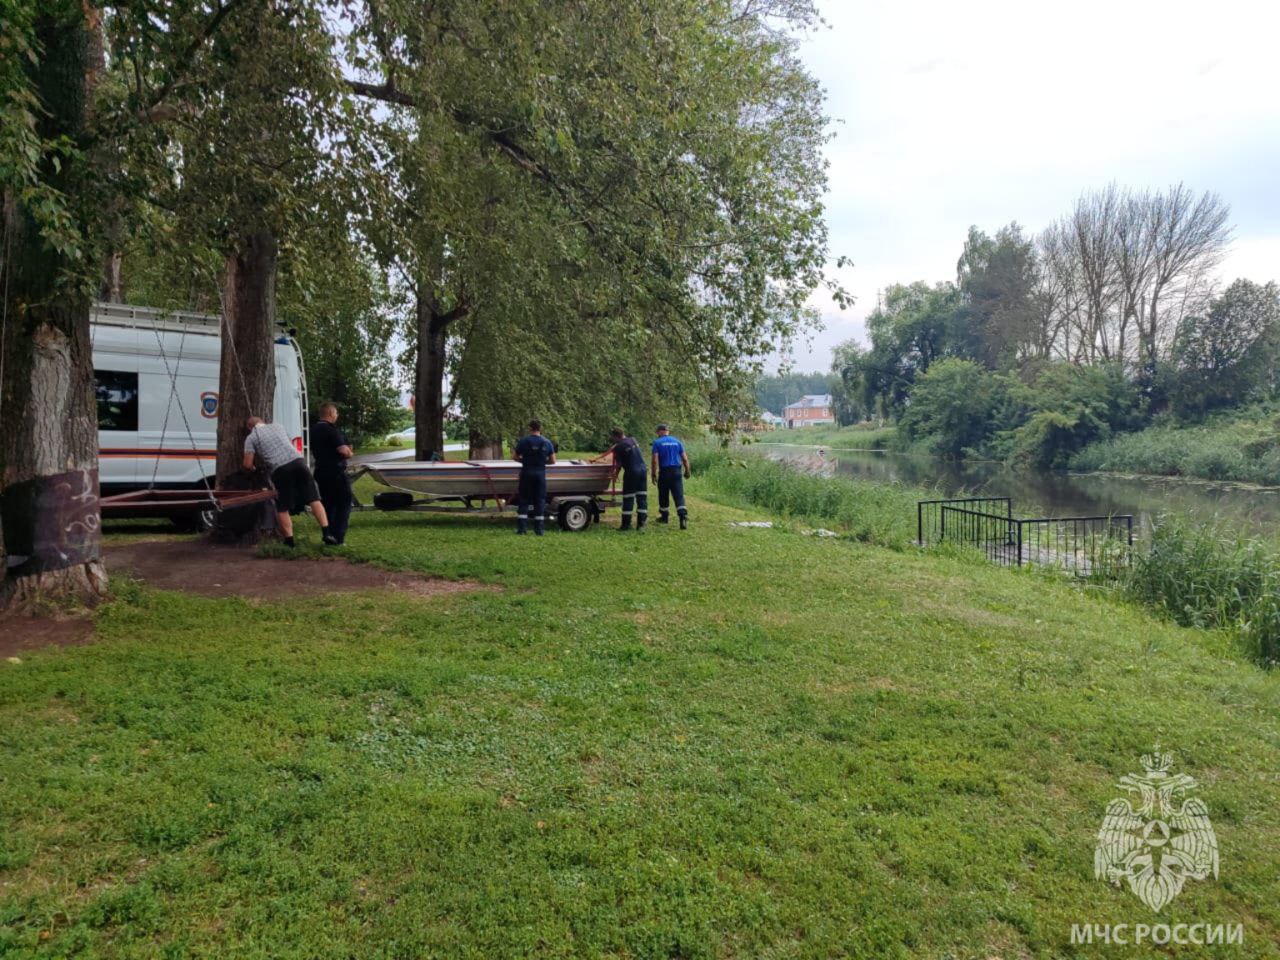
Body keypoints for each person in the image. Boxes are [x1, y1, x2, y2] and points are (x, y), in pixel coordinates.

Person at [243, 416, 336, 547]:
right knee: (314, 499)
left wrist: (255, 469)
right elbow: (290, 444)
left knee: (282, 507)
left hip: (280, 469)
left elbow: (247, 464)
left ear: (250, 428)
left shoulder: (251, 437)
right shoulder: (279, 426)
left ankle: (289, 541)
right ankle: (327, 533)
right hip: (299, 462)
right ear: (263, 421)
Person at [310, 402, 354, 545]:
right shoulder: (332, 430)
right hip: (336, 472)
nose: (337, 416)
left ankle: (329, 536)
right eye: (336, 413)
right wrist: (349, 452)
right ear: (330, 414)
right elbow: (343, 451)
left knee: (328, 504)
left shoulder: (313, 429)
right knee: (344, 503)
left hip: (320, 472)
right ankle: (339, 538)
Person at [594, 427, 648, 530]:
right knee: (642, 497)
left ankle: (626, 525)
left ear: (616, 436)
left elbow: (618, 464)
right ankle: (641, 524)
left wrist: (615, 475)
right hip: (643, 470)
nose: (612, 440)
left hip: (632, 473)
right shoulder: (633, 439)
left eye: (612, 438)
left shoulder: (618, 447)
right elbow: (618, 447)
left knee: (628, 498)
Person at [512, 419, 556, 535]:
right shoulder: (547, 442)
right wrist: (542, 463)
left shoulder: (524, 441)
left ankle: (522, 530)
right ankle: (539, 530)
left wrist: (524, 460)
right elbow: (553, 461)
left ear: (530, 428)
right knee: (540, 501)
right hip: (540, 474)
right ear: (540, 428)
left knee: (524, 500)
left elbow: (515, 457)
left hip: (526, 472)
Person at [650, 424, 690, 529]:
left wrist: (653, 474)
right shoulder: (677, 441)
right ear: (668, 431)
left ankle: (664, 517)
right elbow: (685, 458)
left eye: (657, 432)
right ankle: (682, 518)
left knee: (663, 494)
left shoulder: (657, 443)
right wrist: (687, 471)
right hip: (676, 471)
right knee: (678, 495)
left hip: (664, 472)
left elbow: (655, 460)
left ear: (660, 432)